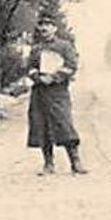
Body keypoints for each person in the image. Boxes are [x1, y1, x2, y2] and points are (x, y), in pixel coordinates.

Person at [26, 10, 86, 175]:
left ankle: (75, 162)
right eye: (41, 25)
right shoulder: (36, 49)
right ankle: (48, 164)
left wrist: (54, 77)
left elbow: (72, 66)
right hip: (40, 92)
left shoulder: (64, 46)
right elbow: (30, 68)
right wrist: (38, 78)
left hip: (58, 92)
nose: (44, 28)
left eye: (48, 25)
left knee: (64, 124)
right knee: (41, 126)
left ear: (54, 28)